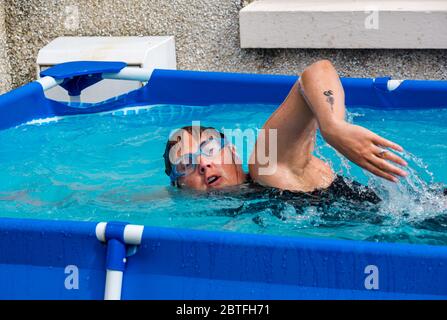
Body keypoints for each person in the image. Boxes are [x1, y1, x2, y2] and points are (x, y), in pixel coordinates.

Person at [162, 60, 409, 204]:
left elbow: (316, 72)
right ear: (180, 187)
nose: (203, 164)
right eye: (186, 164)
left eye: (211, 149)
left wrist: (333, 126)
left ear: (234, 152)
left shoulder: (267, 167)